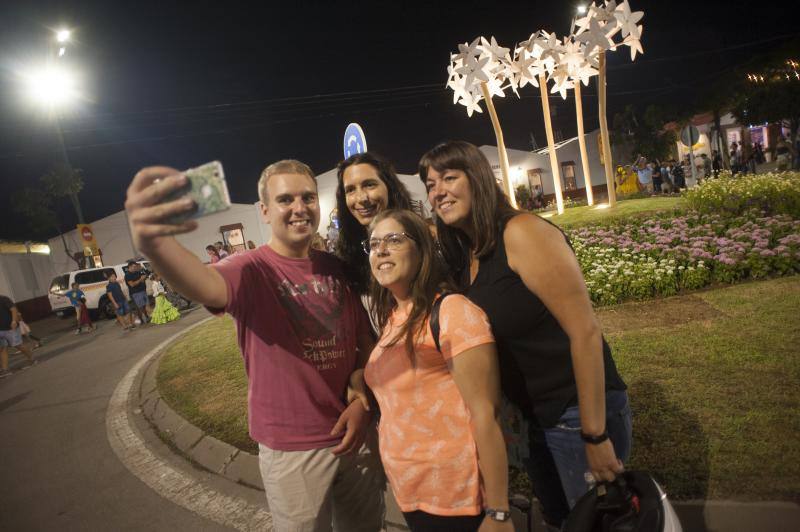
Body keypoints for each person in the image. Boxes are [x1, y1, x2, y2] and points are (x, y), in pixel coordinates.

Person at [124, 159, 385, 532]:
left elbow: (362, 339)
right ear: (264, 210)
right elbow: (205, 285)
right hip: (293, 447)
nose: (299, 208)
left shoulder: (335, 267)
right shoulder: (249, 269)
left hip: (356, 433)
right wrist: (157, 242)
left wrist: (362, 399)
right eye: (285, 199)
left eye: (308, 197)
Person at [419, 141, 630, 528]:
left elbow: (585, 332)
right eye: (431, 184)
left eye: (449, 177)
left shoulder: (521, 233)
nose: (438, 191)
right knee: (562, 521)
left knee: (596, 523)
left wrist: (595, 435)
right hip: (533, 420)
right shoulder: (469, 254)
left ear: (478, 178)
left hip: (573, 411)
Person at [364, 209, 512, 532]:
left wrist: (499, 511)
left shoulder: (452, 312)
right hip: (410, 490)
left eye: (394, 240)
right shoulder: (393, 318)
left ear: (421, 248)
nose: (382, 250)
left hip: (454, 495)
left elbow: (486, 414)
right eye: (374, 244)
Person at [335, 152, 413, 297]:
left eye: (370, 185)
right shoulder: (347, 258)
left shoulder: (421, 241)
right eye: (350, 190)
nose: (361, 198)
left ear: (389, 187)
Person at [0, 295, 37, 378]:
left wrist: (14, 321)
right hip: (0, 330)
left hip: (10, 327)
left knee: (18, 345)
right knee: (2, 348)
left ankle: (32, 358)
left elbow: (13, 309)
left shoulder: (3, 299)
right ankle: (5, 370)